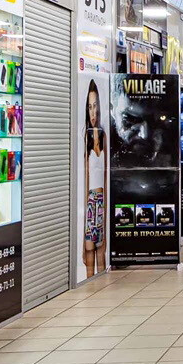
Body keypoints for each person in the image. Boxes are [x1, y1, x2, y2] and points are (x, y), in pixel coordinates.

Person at [81, 78, 108, 277]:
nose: (93, 112)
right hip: (90, 200)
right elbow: (85, 178)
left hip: (101, 200)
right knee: (89, 248)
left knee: (101, 250)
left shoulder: (104, 135)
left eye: (95, 106)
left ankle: (103, 283)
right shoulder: (85, 136)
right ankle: (89, 284)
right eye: (90, 107)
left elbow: (105, 175)